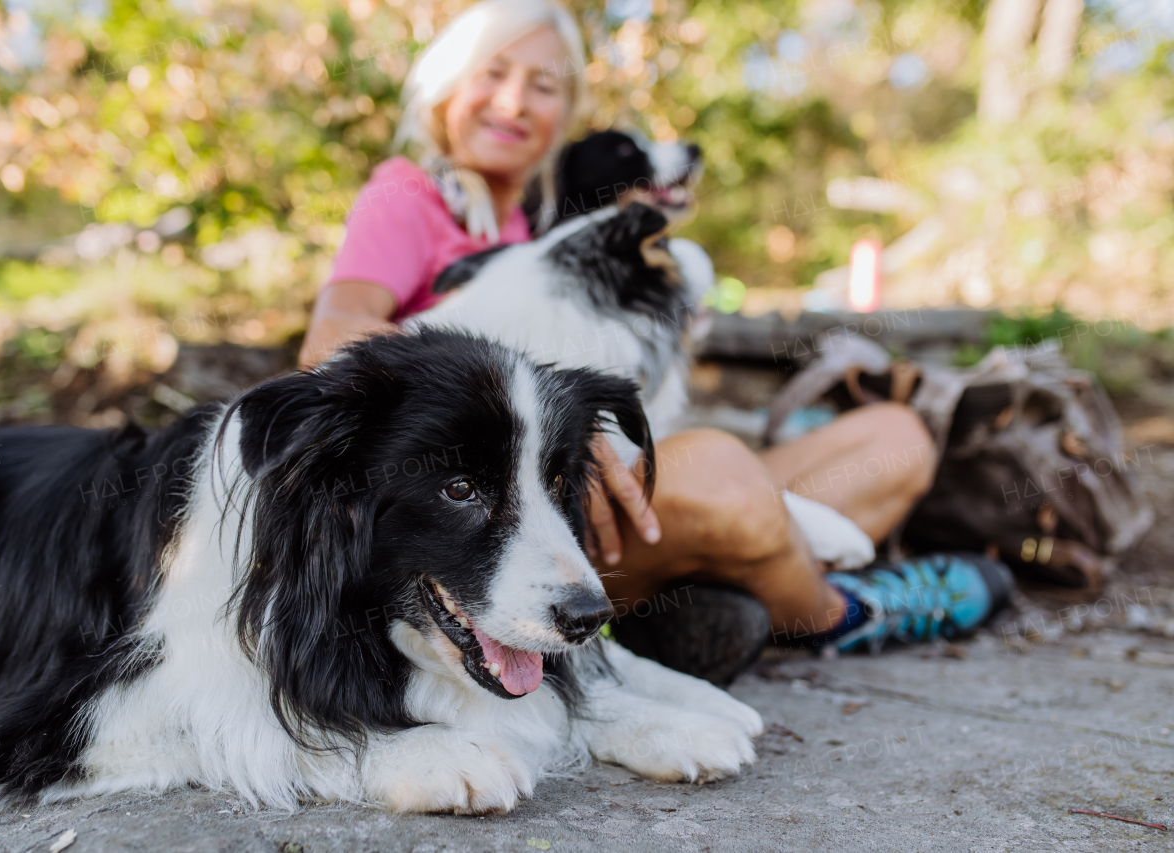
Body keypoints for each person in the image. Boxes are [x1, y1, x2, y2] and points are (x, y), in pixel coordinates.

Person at [298, 0, 1012, 682]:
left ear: (566, 111)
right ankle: (836, 612)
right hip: (496, 533)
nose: (513, 103)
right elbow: (327, 341)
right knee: (728, 480)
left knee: (895, 439)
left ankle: (692, 610)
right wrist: (543, 423)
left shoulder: (560, 222)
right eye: (492, 73)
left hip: (600, 517)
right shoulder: (408, 195)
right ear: (445, 86)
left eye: (542, 85)